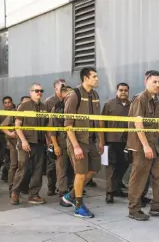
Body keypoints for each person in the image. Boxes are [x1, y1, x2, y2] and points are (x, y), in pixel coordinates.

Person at [126, 70, 159, 221]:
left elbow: (157, 122)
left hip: (155, 145)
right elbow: (138, 124)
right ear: (146, 81)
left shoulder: (156, 100)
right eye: (154, 81)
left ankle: (157, 206)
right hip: (142, 146)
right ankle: (134, 209)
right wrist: (146, 146)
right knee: (139, 177)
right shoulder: (140, 99)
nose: (158, 84)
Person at [62, 67, 104, 218]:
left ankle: (71, 195)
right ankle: (78, 206)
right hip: (78, 141)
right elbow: (68, 124)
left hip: (91, 140)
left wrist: (100, 140)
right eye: (94, 76)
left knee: (93, 169)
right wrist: (76, 146)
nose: (97, 79)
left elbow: (98, 120)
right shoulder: (74, 95)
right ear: (85, 78)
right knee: (80, 173)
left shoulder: (95, 94)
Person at [10, 83, 48, 205]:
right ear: (30, 92)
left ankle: (34, 195)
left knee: (38, 170)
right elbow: (17, 126)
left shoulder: (44, 107)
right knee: (23, 169)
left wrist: (49, 142)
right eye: (36, 91)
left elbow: (46, 127)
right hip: (26, 143)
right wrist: (24, 141)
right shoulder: (23, 106)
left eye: (41, 91)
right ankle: (15, 192)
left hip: (40, 143)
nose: (39, 93)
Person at [100, 83, 131, 203]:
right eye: (121, 90)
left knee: (123, 165)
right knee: (111, 168)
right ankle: (109, 193)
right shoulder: (109, 104)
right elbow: (101, 122)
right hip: (111, 141)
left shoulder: (132, 105)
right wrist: (101, 141)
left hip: (126, 142)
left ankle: (117, 188)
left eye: (126, 90)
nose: (123, 92)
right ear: (117, 91)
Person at [48, 86, 75, 206]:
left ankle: (72, 192)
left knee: (73, 169)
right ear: (63, 94)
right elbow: (52, 129)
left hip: (74, 142)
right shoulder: (56, 108)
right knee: (61, 169)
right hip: (62, 142)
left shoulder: (74, 106)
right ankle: (63, 194)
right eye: (69, 93)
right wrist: (56, 146)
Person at [1, 96, 31, 197]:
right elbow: (3, 126)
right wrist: (10, 134)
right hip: (14, 144)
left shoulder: (33, 113)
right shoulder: (15, 112)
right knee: (14, 166)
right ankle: (12, 190)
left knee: (25, 167)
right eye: (25, 103)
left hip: (28, 144)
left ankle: (22, 187)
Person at [44, 78, 67, 196]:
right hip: (52, 137)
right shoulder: (49, 102)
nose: (64, 89)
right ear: (55, 88)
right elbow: (46, 122)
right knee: (52, 166)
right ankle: (51, 187)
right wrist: (50, 141)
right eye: (61, 87)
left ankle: (64, 188)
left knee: (63, 166)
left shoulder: (68, 99)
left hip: (65, 138)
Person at [0, 96, 14, 177]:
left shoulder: (16, 112)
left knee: (9, 157)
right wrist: (6, 132)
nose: (8, 104)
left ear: (12, 102)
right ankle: (0, 167)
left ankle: (5, 175)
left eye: (9, 102)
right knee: (3, 156)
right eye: (5, 103)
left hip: (13, 137)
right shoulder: (0, 114)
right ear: (3, 104)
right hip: (2, 139)